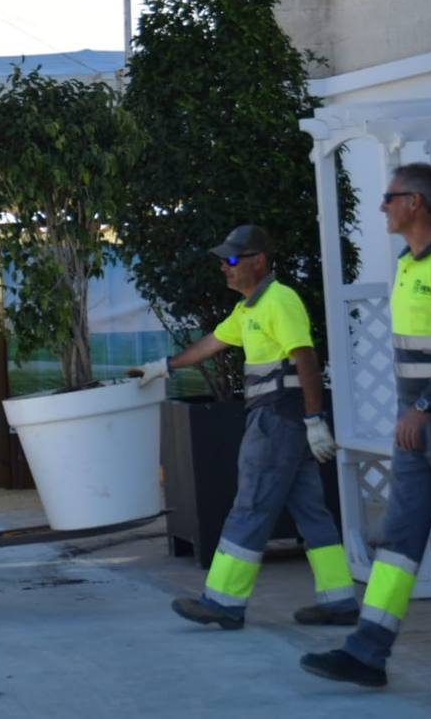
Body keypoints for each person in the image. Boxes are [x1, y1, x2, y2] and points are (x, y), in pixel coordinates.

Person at [301, 162, 431, 698]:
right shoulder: (409, 263)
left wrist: (424, 406)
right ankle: (367, 652)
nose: (383, 207)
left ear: (415, 202)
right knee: (399, 535)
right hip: (421, 419)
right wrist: (412, 409)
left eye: (388, 198)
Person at [134, 224, 357, 631]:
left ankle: (223, 601)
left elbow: (305, 357)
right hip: (282, 419)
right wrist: (162, 367)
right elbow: (212, 343)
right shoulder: (248, 309)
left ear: (259, 261)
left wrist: (314, 419)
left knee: (251, 504)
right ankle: (340, 599)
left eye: (233, 260)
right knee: (310, 510)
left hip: (277, 418)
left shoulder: (279, 301)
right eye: (223, 261)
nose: (225, 268)